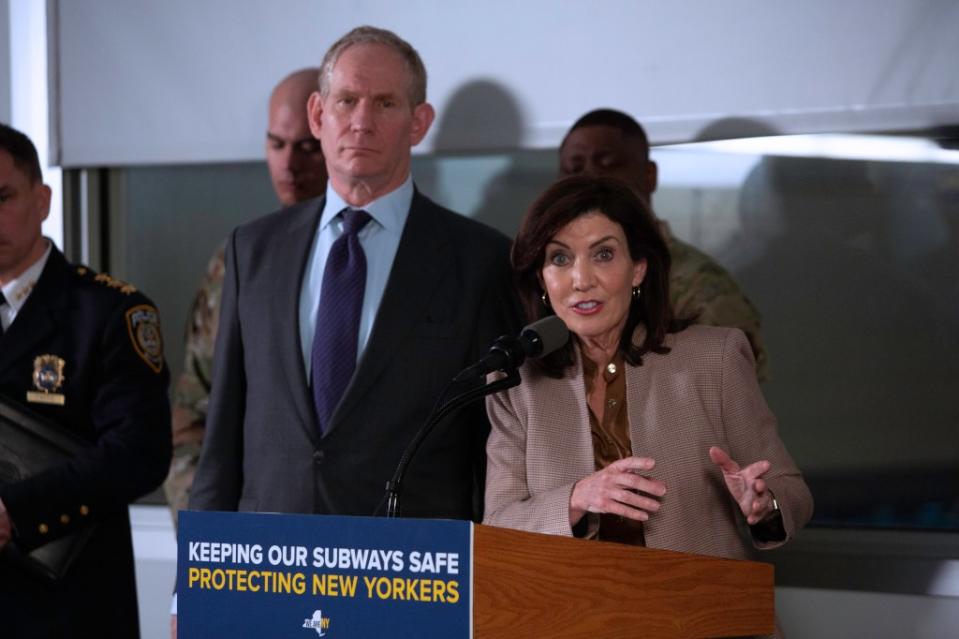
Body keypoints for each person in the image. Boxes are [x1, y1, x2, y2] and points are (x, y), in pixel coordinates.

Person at [187, 26, 518, 521]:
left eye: (385, 103)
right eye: (346, 101)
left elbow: (496, 444)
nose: (361, 121)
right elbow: (223, 432)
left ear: (419, 123)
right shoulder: (252, 250)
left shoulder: (480, 259)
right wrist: (195, 575)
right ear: (318, 115)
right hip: (270, 563)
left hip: (410, 567)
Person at [484, 175, 812, 594]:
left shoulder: (716, 358)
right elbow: (499, 523)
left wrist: (764, 503)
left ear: (638, 268)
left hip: (702, 615)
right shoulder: (516, 384)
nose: (581, 279)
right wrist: (577, 498)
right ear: (542, 280)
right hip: (572, 619)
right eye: (560, 259)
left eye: (603, 254)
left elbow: (794, 493)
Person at [0, 124, 171, 637]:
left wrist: (17, 510)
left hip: (67, 607)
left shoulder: (110, 311)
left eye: (2, 196)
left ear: (43, 199)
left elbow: (139, 453)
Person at [164, 68, 329, 524]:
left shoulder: (403, 255)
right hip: (253, 534)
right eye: (276, 145)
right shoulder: (239, 259)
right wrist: (204, 530)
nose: (290, 166)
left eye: (307, 148)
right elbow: (193, 412)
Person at [559, 108, 769, 380]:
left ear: (649, 175)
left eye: (608, 163)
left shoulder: (699, 284)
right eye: (574, 168)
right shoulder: (550, 279)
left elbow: (729, 394)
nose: (589, 177)